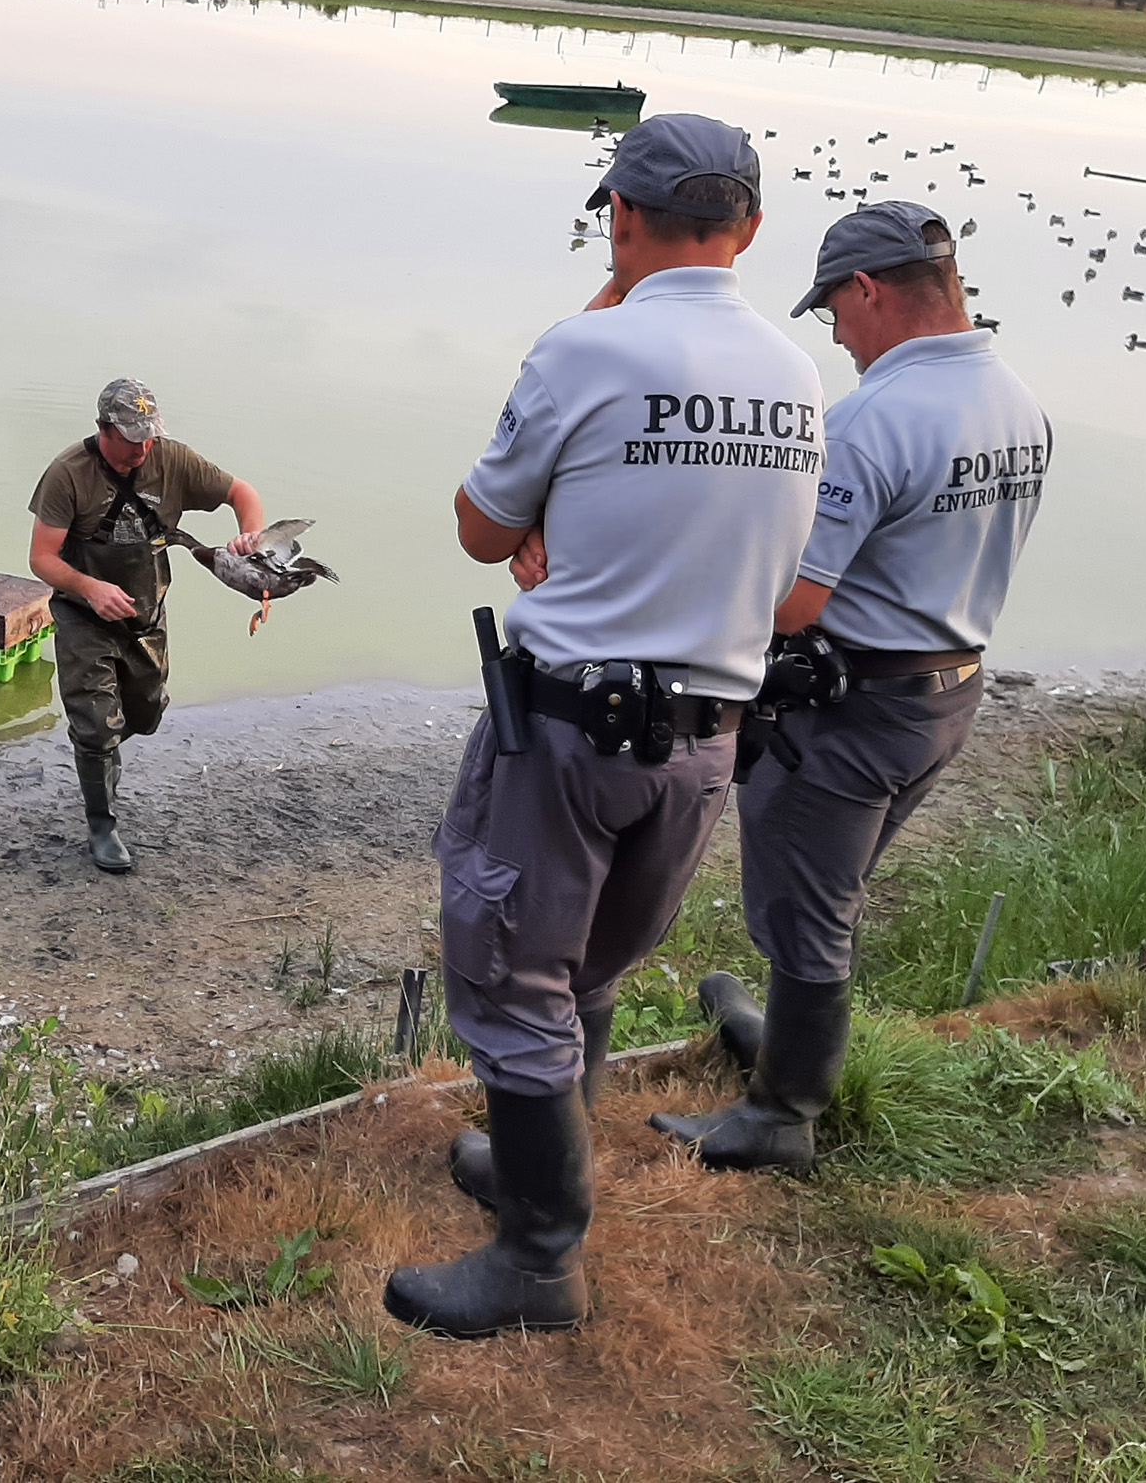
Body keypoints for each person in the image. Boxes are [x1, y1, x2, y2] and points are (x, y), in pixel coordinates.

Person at [383, 114, 823, 1339]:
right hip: (704, 743)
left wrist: (558, 540)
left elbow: (479, 524)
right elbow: (768, 560)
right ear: (748, 226)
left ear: (617, 218)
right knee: (591, 967)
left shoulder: (584, 348)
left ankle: (538, 1258)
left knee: (513, 975)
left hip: (570, 731)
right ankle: (535, 1164)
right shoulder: (796, 374)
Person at [651, 201, 1050, 1172]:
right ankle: (780, 1039)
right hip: (947, 692)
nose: (834, 332)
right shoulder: (1017, 401)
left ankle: (782, 1112)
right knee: (826, 887)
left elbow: (793, 604)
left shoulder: (872, 419)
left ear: (867, 289)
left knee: (810, 901)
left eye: (833, 310)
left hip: (853, 705)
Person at [28, 379, 265, 873]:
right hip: (84, 615)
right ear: (103, 429)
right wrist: (90, 588)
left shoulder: (173, 460)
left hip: (145, 614)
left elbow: (241, 492)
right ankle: (102, 823)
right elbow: (42, 559)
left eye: (148, 435)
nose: (142, 447)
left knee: (145, 713)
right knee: (95, 724)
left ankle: (105, 752)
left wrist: (250, 535)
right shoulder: (67, 474)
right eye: (131, 437)